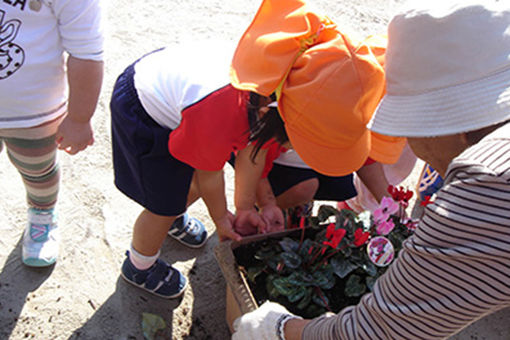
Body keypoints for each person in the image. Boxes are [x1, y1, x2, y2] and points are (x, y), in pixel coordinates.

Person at [231, 1, 510, 339]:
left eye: (405, 127)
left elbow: (378, 332)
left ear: (448, 124)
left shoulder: (484, 189)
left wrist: (275, 328)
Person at [110, 41, 291, 299]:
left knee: (181, 183)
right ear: (266, 114)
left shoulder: (266, 95)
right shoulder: (221, 112)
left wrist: (246, 208)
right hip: (143, 109)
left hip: (183, 101)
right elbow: (210, 176)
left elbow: (253, 154)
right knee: (162, 204)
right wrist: (221, 219)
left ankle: (173, 218)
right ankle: (140, 266)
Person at [0, 0, 104, 266]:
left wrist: (80, 118)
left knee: (38, 170)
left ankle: (42, 213)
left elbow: (86, 52)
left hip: (31, 113)